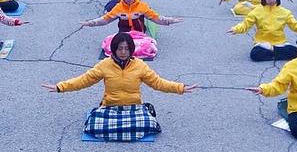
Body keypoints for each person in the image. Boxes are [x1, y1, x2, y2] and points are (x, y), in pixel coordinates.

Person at [42, 32, 196, 141]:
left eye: (127, 48)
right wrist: (60, 87)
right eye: (120, 48)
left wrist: (180, 88)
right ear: (114, 49)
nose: (123, 52)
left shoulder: (140, 66)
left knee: (150, 124)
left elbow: (158, 82)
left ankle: (122, 129)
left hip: (134, 109)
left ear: (131, 49)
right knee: (93, 125)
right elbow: (84, 80)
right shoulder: (104, 65)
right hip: (110, 108)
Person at [82, 0, 182, 58]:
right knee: (110, 46)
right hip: (123, 35)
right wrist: (90, 23)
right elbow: (105, 19)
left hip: (139, 36)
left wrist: (170, 21)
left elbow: (156, 18)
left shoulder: (142, 6)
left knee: (147, 46)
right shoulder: (118, 8)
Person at [228, 0, 297, 61]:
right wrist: (236, 29)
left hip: (280, 43)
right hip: (263, 44)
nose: (271, 0)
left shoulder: (285, 12)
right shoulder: (257, 11)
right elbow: (246, 24)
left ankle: (273, 53)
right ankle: (278, 54)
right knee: (254, 54)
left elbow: (295, 26)